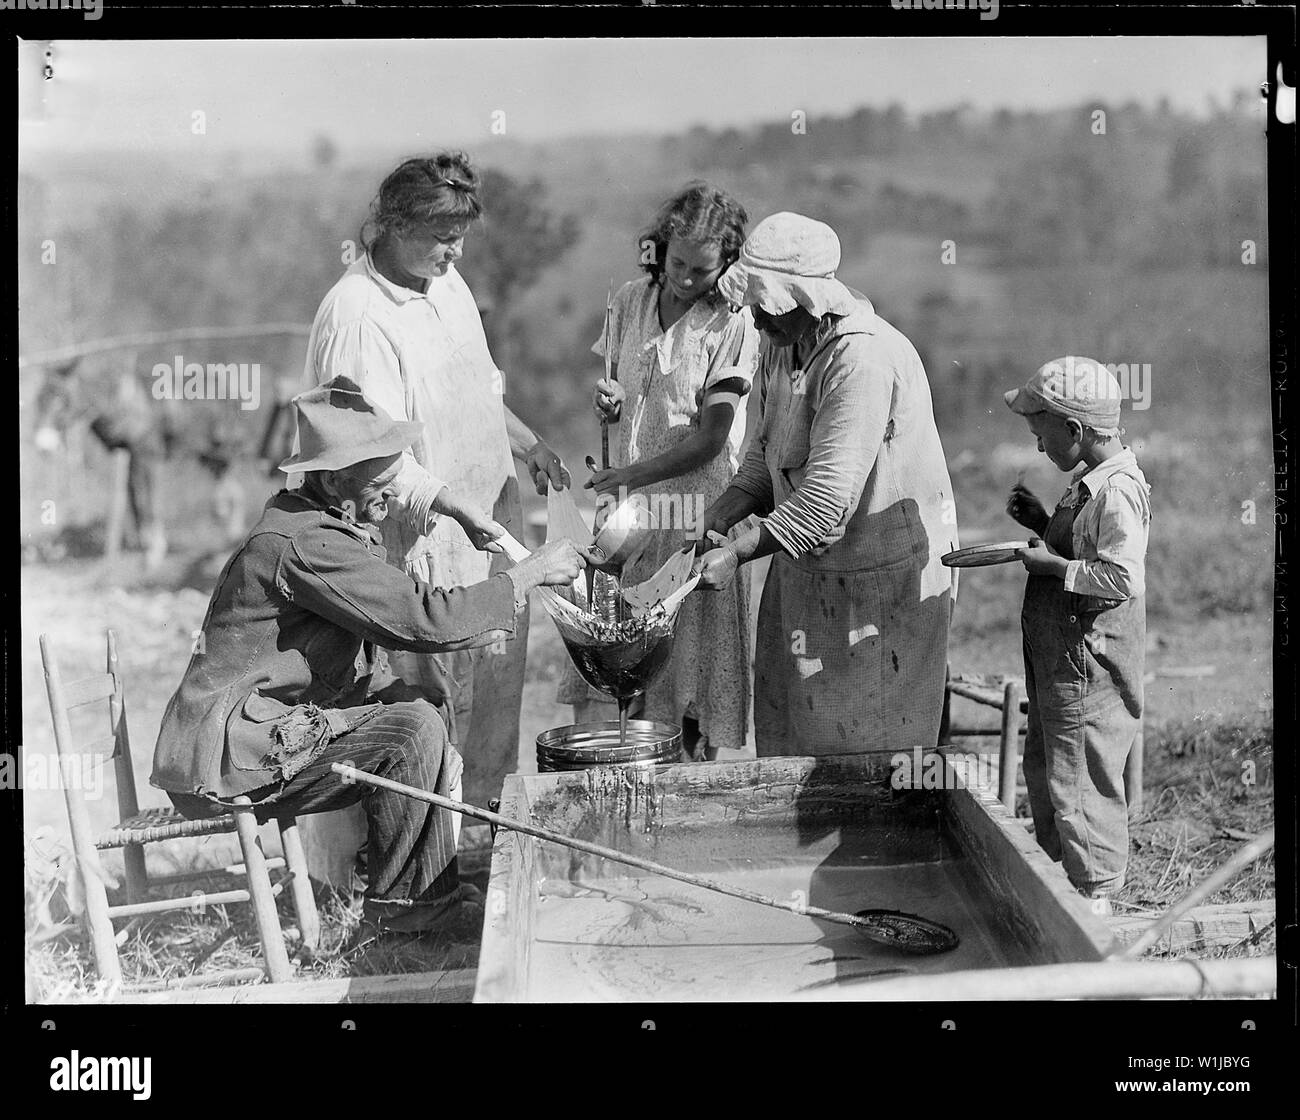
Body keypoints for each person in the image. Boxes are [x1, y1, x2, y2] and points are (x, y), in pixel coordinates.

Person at [151, 377, 592, 940]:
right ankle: (408, 920)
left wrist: (410, 694)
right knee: (409, 731)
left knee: (419, 706)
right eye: (382, 483)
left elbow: (355, 660)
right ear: (333, 479)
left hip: (248, 736)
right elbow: (425, 617)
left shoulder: (322, 523)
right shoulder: (308, 545)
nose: (391, 496)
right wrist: (526, 574)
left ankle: (429, 894)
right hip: (221, 757)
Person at [303, 152, 571, 807]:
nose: (454, 251)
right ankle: (427, 863)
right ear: (391, 224)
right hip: (414, 540)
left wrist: (527, 442)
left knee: (495, 688)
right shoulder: (359, 317)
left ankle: (490, 838)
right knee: (427, 701)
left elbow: (475, 389)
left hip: (486, 521)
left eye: (461, 238)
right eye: (440, 237)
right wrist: (453, 507)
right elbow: (368, 453)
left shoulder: (446, 285)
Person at [693, 212, 957, 757]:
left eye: (767, 308)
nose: (758, 322)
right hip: (808, 570)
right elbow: (766, 453)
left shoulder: (860, 357)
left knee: (870, 755)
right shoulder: (780, 343)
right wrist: (724, 510)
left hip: (878, 583)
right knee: (796, 746)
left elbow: (824, 502)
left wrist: (739, 551)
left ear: (804, 300)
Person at [569, 182, 759, 760]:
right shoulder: (630, 301)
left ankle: (685, 793)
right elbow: (631, 392)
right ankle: (636, 784)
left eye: (702, 270)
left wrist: (633, 478)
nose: (685, 278)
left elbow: (712, 438)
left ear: (728, 265)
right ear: (661, 247)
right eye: (677, 262)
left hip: (694, 517)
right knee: (629, 657)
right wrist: (611, 400)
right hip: (632, 519)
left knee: (688, 674)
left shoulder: (731, 323)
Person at [1005, 357, 1150, 904]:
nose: (1040, 449)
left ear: (1074, 430)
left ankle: (1098, 910)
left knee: (1084, 784)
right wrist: (1044, 525)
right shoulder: (1087, 484)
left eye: (1042, 435)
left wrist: (1054, 568)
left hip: (1089, 666)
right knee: (1051, 771)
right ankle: (1066, 897)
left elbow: (1119, 577)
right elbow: (1087, 549)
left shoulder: (1116, 492)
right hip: (1060, 661)